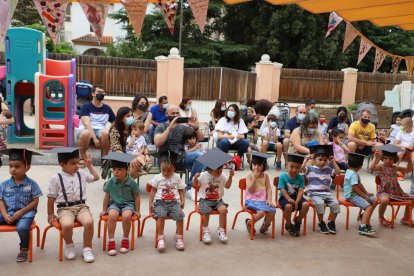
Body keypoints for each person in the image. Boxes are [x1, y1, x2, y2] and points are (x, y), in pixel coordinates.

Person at [47, 147, 99, 262]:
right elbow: (51, 198)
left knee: (89, 222)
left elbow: (96, 177)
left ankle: (87, 248)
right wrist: (50, 213)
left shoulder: (82, 175)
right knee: (67, 224)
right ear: (62, 164)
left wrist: (89, 166)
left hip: (81, 207)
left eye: (78, 162)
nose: (77, 166)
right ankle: (69, 245)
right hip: (65, 208)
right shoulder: (56, 178)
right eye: (73, 163)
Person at [154, 104, 204, 200]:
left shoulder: (183, 127)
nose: (176, 115)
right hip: (166, 158)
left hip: (181, 157)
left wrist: (196, 127)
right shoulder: (161, 127)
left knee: (200, 156)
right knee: (168, 159)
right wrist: (169, 128)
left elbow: (201, 138)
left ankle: (190, 188)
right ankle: (165, 189)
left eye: (177, 113)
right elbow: (157, 144)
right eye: (173, 113)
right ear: (166, 114)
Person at [0, 149, 42, 262]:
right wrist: (4, 214)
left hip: (26, 214)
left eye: (17, 166)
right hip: (8, 212)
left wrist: (21, 212)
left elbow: (35, 201)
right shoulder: (4, 185)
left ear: (27, 167)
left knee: (22, 227)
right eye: (10, 166)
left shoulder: (32, 184)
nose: (13, 169)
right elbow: (1, 201)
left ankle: (24, 250)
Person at [101, 152, 140, 256]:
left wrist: (137, 211)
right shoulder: (110, 182)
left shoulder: (132, 182)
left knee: (126, 216)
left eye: (119, 169)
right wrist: (104, 210)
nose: (116, 172)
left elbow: (136, 197)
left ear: (126, 170)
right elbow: (107, 196)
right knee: (112, 215)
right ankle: (111, 240)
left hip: (128, 205)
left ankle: (125, 238)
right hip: (114, 204)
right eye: (114, 170)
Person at [192, 149, 234, 244]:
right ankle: (205, 230)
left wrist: (231, 177)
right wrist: (195, 178)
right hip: (205, 200)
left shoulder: (222, 176)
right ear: (210, 169)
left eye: (221, 169)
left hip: (218, 200)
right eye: (217, 170)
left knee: (223, 210)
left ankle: (221, 229)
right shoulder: (203, 175)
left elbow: (227, 186)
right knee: (207, 211)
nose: (220, 171)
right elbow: (195, 185)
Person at [148, 151, 185, 251]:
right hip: (160, 202)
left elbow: (181, 189)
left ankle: (179, 237)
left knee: (180, 216)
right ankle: (160, 238)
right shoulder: (158, 177)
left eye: (169, 170)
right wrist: (151, 202)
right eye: (163, 170)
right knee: (160, 216)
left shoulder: (176, 177)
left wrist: (182, 200)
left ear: (174, 168)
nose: (165, 173)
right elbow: (153, 191)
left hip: (174, 202)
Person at [369, 144, 414, 227]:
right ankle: (381, 217)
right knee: (385, 200)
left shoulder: (395, 167)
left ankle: (406, 218)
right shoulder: (381, 167)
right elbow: (371, 168)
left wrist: (409, 160)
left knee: (412, 198)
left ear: (395, 159)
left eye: (391, 159)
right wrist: (376, 158)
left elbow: (409, 169)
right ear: (383, 158)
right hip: (384, 192)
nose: (388, 161)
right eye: (385, 158)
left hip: (396, 192)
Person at [304, 145, 341, 234]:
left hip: (327, 193)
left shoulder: (328, 169)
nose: (322, 162)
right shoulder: (310, 169)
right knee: (320, 204)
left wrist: (333, 161)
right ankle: (321, 223)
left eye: (325, 160)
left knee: (336, 204)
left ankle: (331, 222)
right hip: (314, 193)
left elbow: (338, 172)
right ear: (314, 159)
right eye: (320, 159)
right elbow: (300, 169)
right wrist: (306, 160)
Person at [77, 85, 115, 159]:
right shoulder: (86, 106)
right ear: (93, 94)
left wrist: (110, 130)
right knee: (86, 133)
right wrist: (95, 139)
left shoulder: (107, 108)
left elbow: (114, 122)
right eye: (98, 92)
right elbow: (87, 125)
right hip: (86, 130)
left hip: (100, 131)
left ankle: (104, 159)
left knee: (105, 133)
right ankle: (82, 158)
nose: (101, 93)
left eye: (102, 92)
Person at [344, 153, 378, 236]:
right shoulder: (353, 174)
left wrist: (366, 193)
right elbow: (355, 187)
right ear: (361, 166)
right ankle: (363, 227)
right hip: (352, 196)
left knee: (375, 200)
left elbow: (360, 184)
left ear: (348, 164)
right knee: (369, 207)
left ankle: (363, 217)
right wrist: (365, 197)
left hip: (355, 194)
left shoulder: (350, 171)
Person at [244, 152, 276, 235]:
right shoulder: (249, 176)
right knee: (262, 212)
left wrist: (269, 199)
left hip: (262, 200)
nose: (256, 167)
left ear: (264, 166)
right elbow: (250, 190)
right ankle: (250, 223)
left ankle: (265, 225)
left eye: (259, 165)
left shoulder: (266, 176)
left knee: (272, 210)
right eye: (254, 164)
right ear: (251, 164)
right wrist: (254, 179)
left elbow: (269, 188)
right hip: (251, 200)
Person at [278, 153, 309, 237]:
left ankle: (298, 221)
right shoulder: (282, 176)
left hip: (297, 198)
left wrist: (297, 201)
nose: (294, 170)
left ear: (300, 168)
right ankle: (288, 225)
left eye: (297, 167)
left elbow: (300, 191)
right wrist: (289, 199)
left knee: (306, 204)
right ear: (287, 164)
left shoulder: (301, 178)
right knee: (288, 207)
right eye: (292, 167)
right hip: (284, 198)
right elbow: (282, 189)